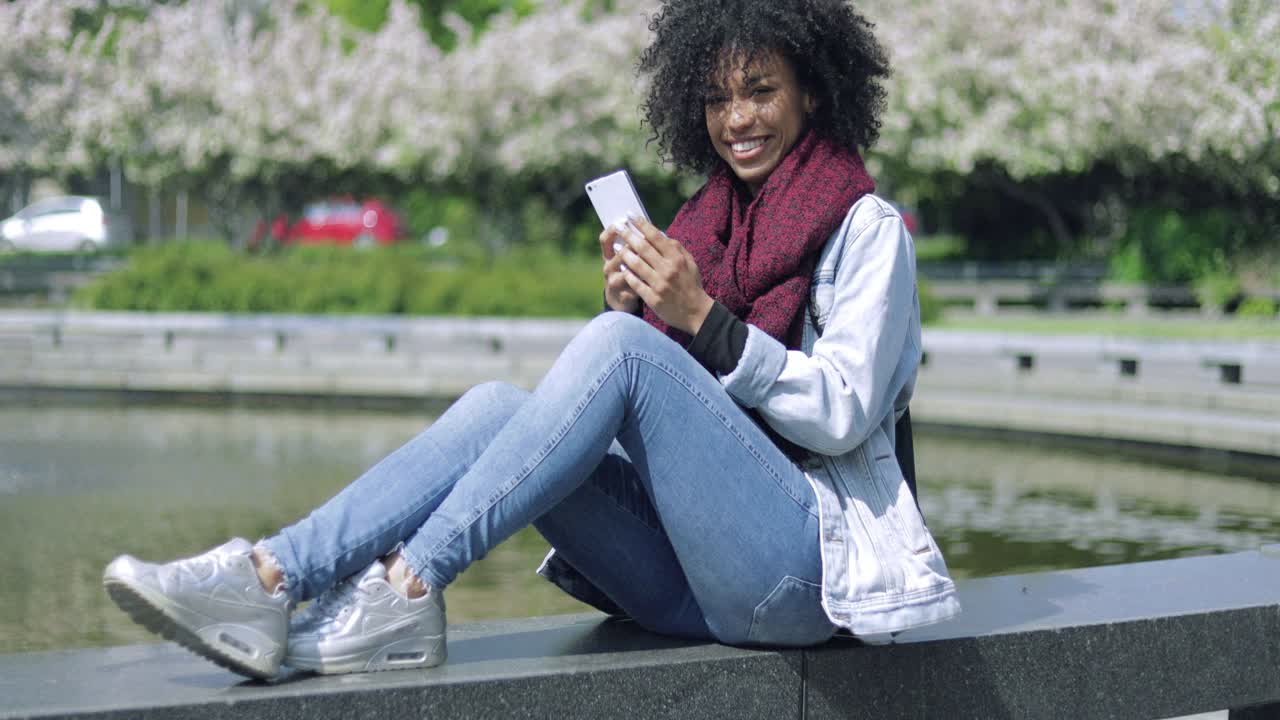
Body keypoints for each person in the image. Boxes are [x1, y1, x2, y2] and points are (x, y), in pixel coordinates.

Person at [102, 0, 960, 680]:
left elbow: (844, 413)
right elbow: (674, 414)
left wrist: (699, 326)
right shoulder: (709, 221)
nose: (737, 117)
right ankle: (269, 579)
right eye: (716, 97)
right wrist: (638, 310)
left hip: (809, 579)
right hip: (689, 582)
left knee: (618, 353)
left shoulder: (867, 228)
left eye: (761, 89)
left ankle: (407, 585)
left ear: (813, 89)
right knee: (497, 409)